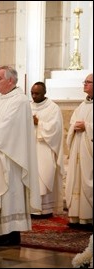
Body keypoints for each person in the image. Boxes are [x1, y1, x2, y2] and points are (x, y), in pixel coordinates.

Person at [0, 66, 41, 246]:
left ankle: (8, 233)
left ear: (11, 81)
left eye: (0, 79)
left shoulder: (19, 101)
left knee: (7, 194)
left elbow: (9, 127)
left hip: (8, 158)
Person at [30, 81, 65, 217]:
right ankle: (32, 208)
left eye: (37, 93)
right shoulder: (27, 106)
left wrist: (39, 123)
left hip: (45, 148)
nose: (33, 96)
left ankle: (45, 210)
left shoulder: (53, 108)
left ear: (44, 93)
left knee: (44, 177)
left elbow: (56, 129)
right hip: (30, 148)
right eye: (32, 93)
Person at [65, 73, 93, 228]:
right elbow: (72, 123)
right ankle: (76, 217)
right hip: (78, 149)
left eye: (88, 82)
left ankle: (89, 218)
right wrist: (74, 128)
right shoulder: (82, 106)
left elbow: (86, 125)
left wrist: (87, 127)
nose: (85, 84)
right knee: (76, 180)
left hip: (89, 152)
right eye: (85, 82)